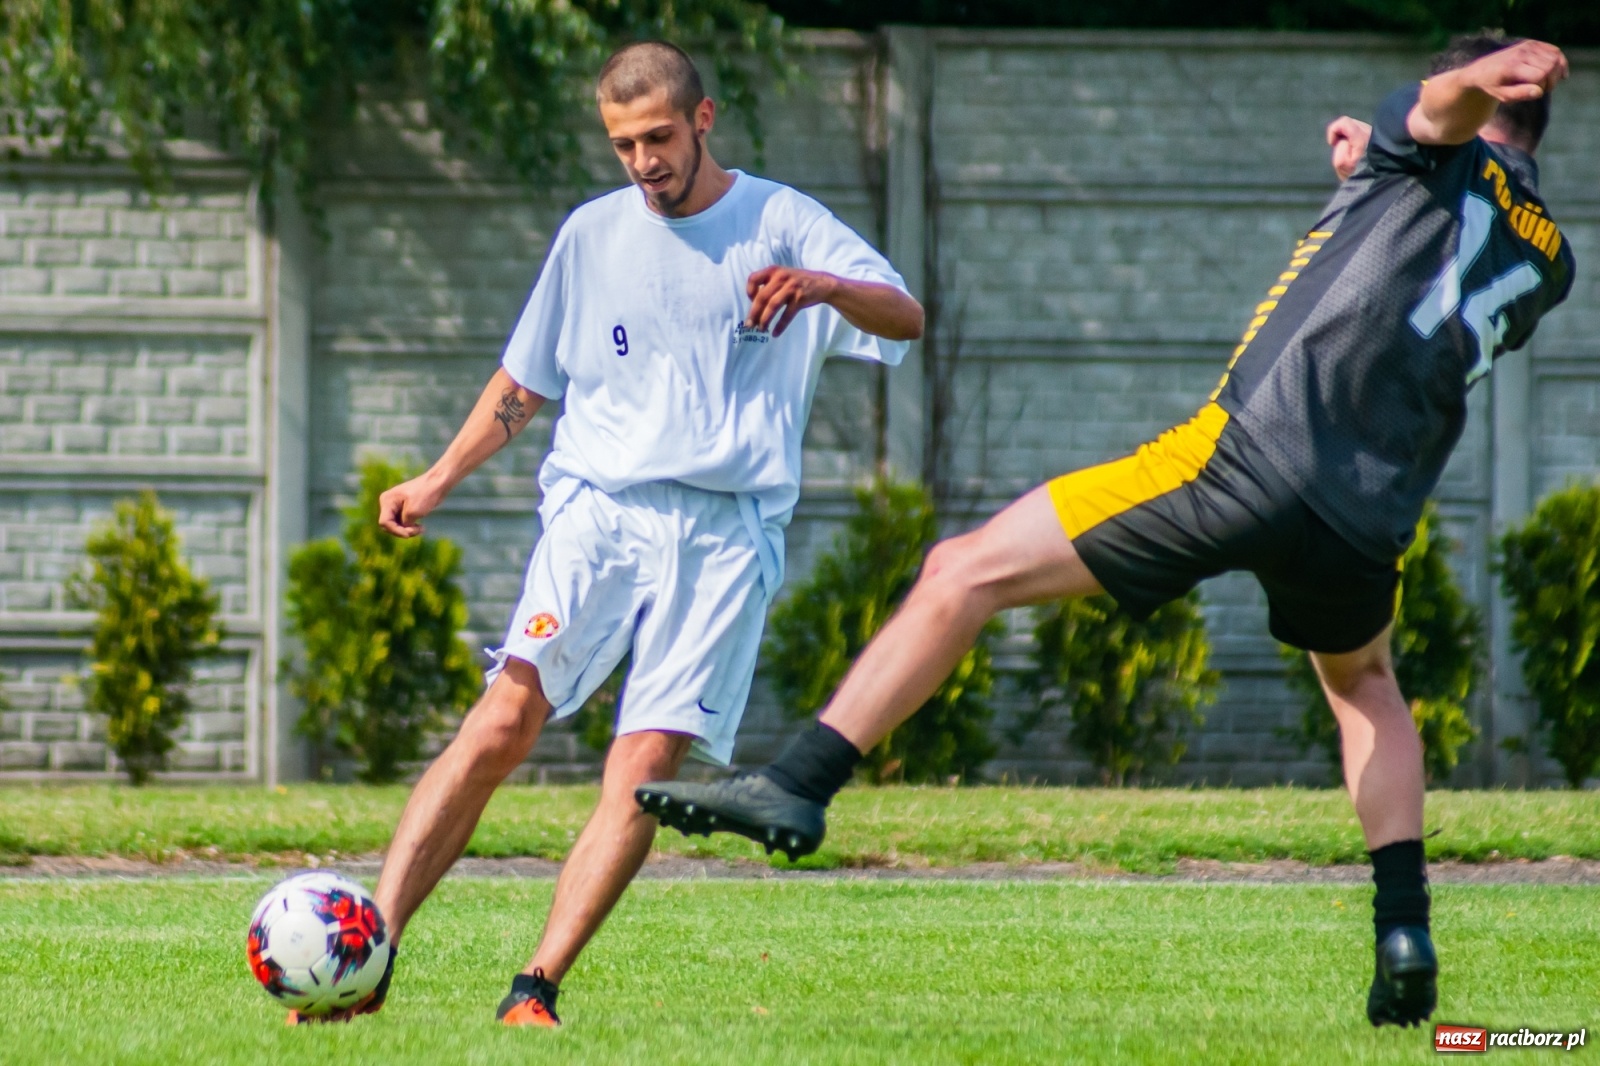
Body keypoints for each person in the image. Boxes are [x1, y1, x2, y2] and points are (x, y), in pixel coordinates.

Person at [639, 32, 1575, 1029]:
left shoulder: (1431, 133)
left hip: (1247, 455)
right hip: (1369, 515)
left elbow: (1440, 120)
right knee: (1364, 684)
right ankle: (1404, 927)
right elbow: (1420, 261)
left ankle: (799, 781)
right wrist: (1376, 176)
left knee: (964, 569)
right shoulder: (1548, 258)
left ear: (1485, 98)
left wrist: (1453, 95)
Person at [290, 40, 922, 1027]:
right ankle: (366, 957)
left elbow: (907, 317)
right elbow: (527, 380)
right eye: (624, 144)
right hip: (599, 509)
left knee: (641, 767)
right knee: (500, 720)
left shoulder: (782, 221)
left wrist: (825, 287)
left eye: (659, 138)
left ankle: (534, 985)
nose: (642, 162)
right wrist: (438, 477)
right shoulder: (591, 236)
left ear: (702, 120)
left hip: (724, 532)